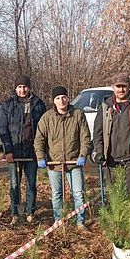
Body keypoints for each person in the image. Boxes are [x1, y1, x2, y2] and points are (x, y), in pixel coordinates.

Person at [34, 85, 90, 229]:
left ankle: (80, 221)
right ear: (54, 101)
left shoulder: (78, 114)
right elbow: (39, 139)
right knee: (56, 194)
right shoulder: (47, 118)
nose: (61, 101)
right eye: (58, 98)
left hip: (74, 163)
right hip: (54, 163)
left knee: (78, 193)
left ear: (68, 98)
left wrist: (83, 154)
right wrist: (40, 157)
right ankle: (58, 220)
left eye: (63, 97)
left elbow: (85, 137)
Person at [0, 75, 46, 224]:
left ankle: (30, 211)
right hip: (14, 151)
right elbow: (3, 129)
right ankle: (15, 212)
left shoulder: (38, 104)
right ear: (15, 88)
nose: (22, 90)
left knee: (31, 183)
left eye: (24, 87)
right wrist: (8, 150)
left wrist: (41, 151)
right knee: (14, 184)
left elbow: (44, 128)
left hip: (31, 152)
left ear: (29, 87)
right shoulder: (8, 105)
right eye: (19, 87)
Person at [93, 72, 130, 190]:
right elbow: (97, 134)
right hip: (111, 159)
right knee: (115, 197)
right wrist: (99, 152)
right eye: (118, 86)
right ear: (113, 87)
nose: (121, 89)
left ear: (129, 86)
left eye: (124, 86)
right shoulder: (105, 106)